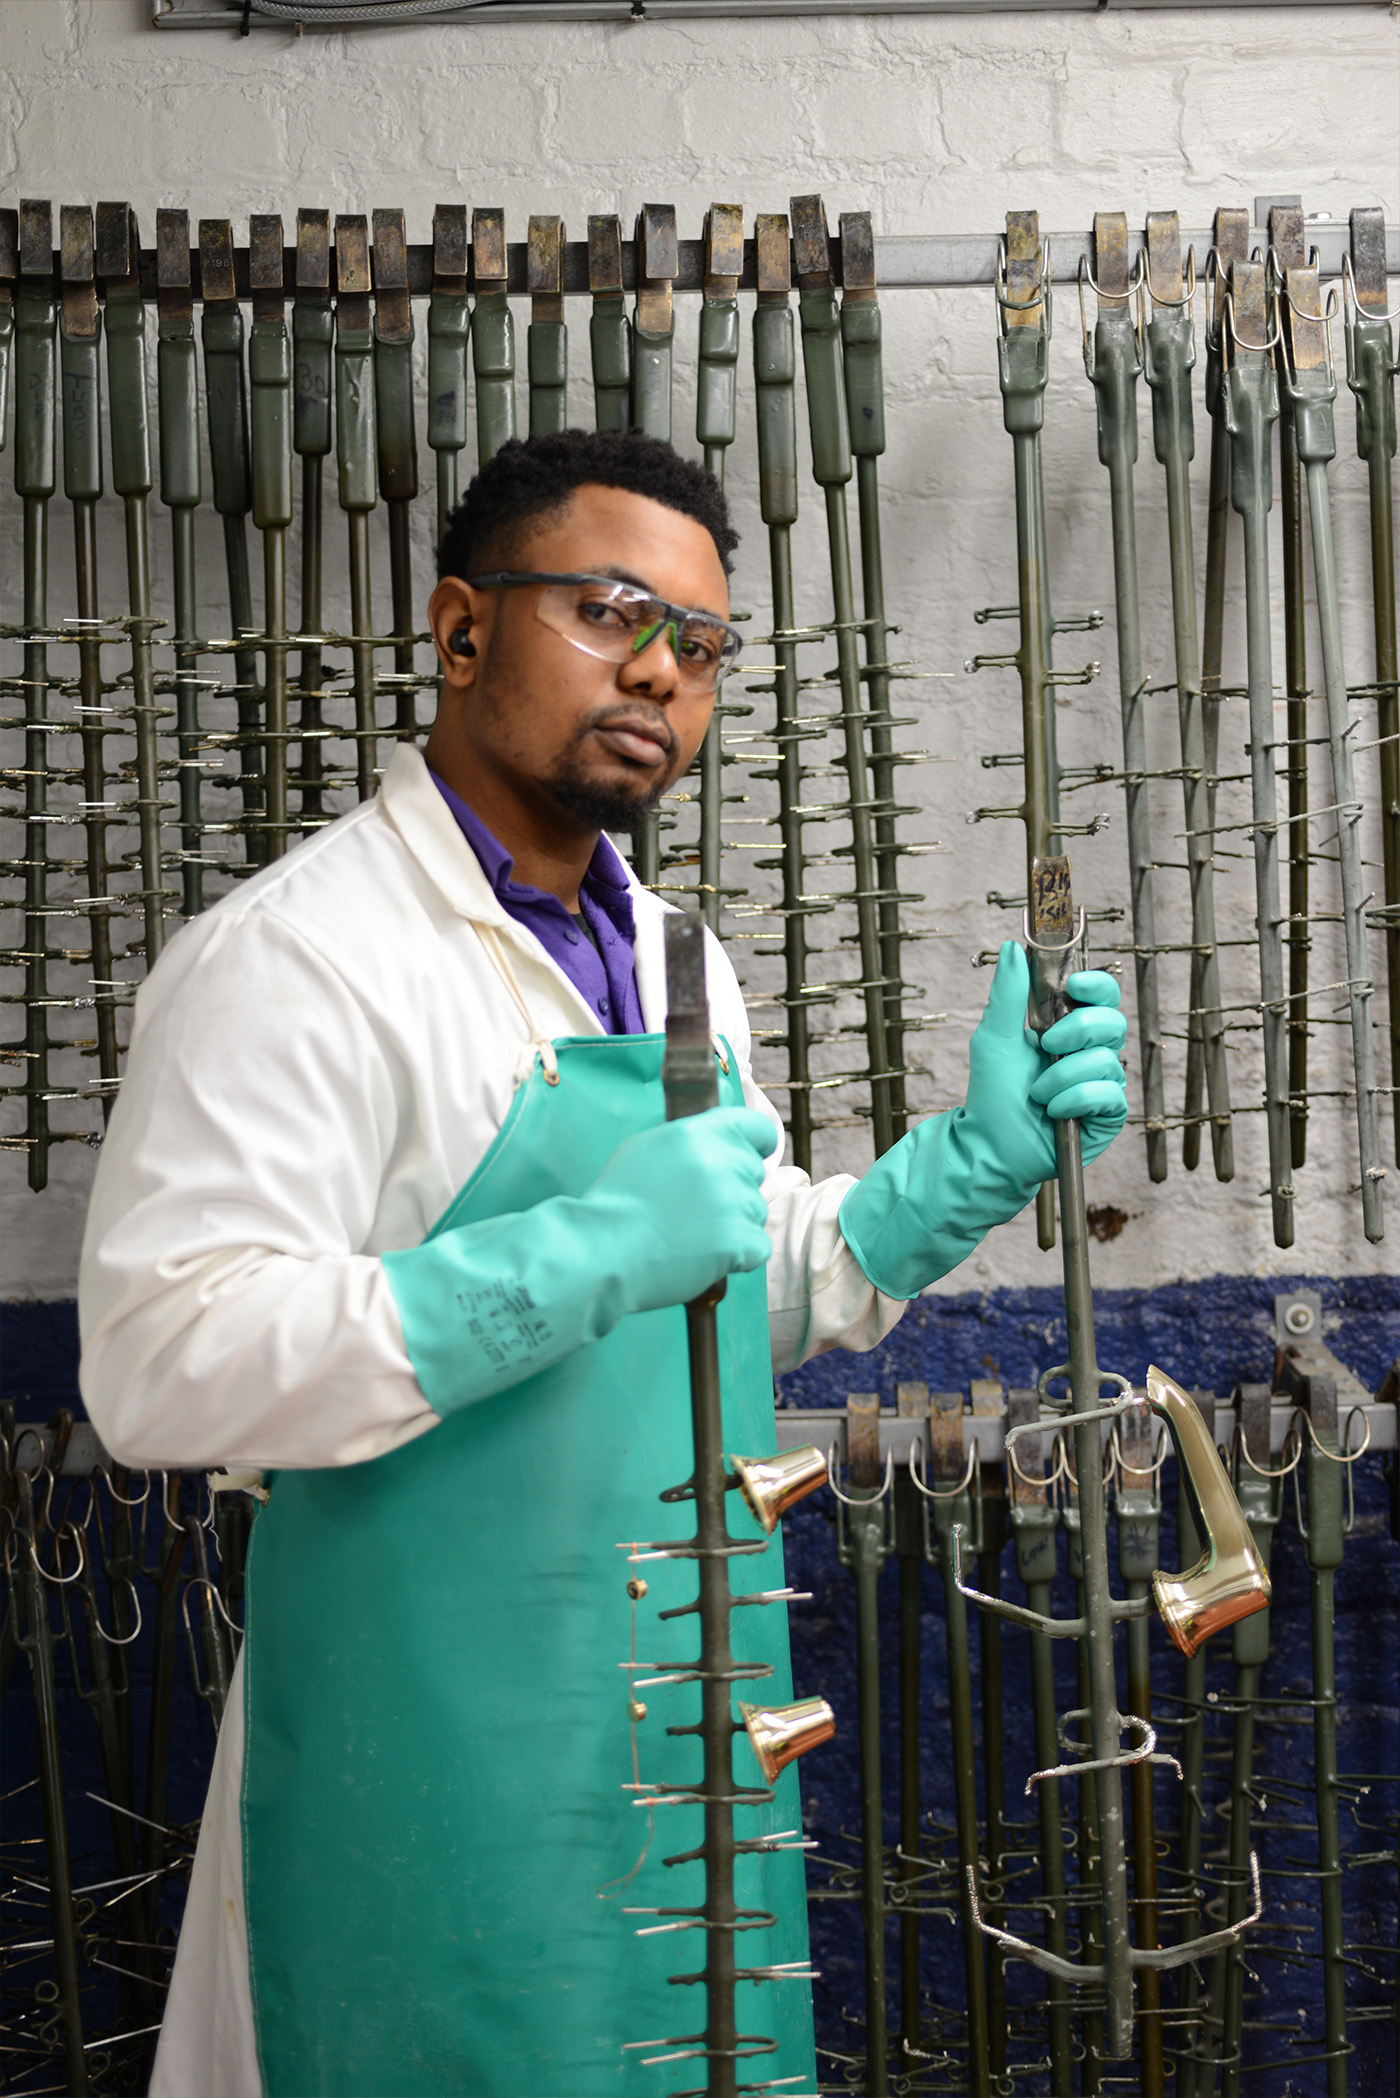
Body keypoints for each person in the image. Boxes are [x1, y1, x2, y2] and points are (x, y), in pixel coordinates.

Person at [79, 429, 1129, 2098]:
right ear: (460, 626)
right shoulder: (296, 959)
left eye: (701, 643)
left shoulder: (673, 953)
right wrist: (571, 1252)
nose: (658, 667)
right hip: (429, 1766)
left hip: (673, 1724)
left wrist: (971, 1160)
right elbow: (160, 1359)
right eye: (609, 608)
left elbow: (742, 1279)